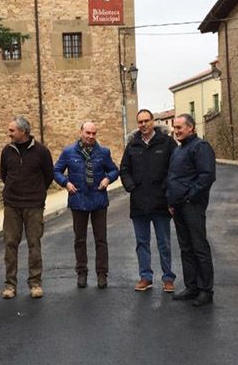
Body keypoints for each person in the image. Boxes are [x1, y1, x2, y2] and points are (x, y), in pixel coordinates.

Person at [54, 121, 119, 289]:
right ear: (81, 132)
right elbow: (56, 171)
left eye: (94, 133)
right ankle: (81, 273)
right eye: (88, 133)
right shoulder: (68, 152)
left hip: (98, 200)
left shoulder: (103, 152)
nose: (91, 136)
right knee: (79, 240)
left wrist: (107, 179)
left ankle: (102, 274)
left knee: (101, 240)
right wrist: (66, 183)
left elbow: (114, 170)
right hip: (78, 200)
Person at [120, 109, 178, 292]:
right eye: (140, 122)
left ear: (153, 121)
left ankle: (168, 278)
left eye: (146, 121)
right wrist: (131, 186)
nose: (143, 125)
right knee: (141, 242)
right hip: (139, 202)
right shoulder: (132, 145)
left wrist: (167, 191)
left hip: (161, 202)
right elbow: (124, 169)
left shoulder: (167, 143)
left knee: (164, 242)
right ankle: (145, 277)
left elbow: (174, 169)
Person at [0, 116, 54, 299]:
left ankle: (35, 283)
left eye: (12, 130)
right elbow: (4, 174)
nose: (9, 134)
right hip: (12, 205)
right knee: (10, 244)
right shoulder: (7, 151)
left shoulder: (42, 152)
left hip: (34, 205)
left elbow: (48, 175)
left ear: (23, 131)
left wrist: (37, 194)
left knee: (34, 245)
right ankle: (9, 285)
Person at [166, 114, 217, 307]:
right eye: (175, 128)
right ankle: (191, 286)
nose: (176, 131)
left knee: (199, 247)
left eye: (180, 127)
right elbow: (173, 177)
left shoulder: (200, 147)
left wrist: (189, 196)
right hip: (178, 207)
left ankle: (205, 290)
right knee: (186, 248)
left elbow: (207, 176)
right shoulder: (178, 150)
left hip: (192, 205)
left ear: (191, 128)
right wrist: (171, 201)